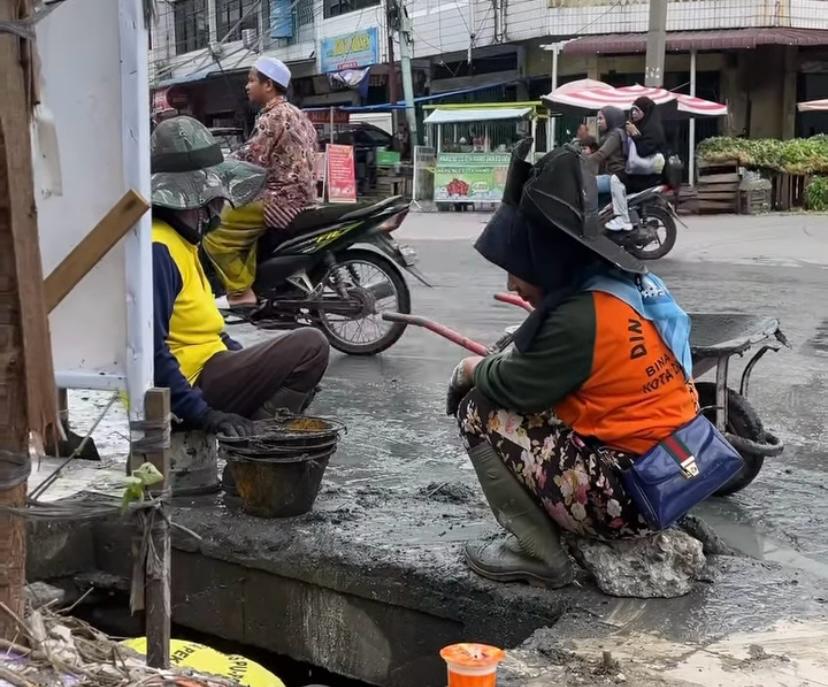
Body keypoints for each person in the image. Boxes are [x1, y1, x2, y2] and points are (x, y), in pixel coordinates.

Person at [446, 144, 698, 588]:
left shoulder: (579, 318)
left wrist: (470, 368)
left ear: (544, 261)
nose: (512, 284)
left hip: (633, 498)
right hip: (675, 469)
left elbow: (513, 387)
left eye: (517, 269)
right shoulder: (618, 289)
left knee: (476, 410)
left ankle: (537, 553)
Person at [151, 116, 330, 439]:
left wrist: (249, 364)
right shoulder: (159, 249)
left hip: (207, 367)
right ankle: (258, 445)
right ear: (199, 202)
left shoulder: (184, 242)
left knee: (291, 351)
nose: (220, 209)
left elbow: (209, 331)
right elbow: (151, 353)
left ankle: (253, 440)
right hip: (189, 384)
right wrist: (204, 414)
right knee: (310, 345)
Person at [203, 56, 318, 309]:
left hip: (279, 199)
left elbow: (250, 158)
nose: (247, 86)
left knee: (215, 233)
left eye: (251, 80)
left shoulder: (273, 117)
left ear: (268, 85)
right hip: (302, 198)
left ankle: (240, 292)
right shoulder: (297, 114)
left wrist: (215, 169)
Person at [587, 106, 632, 231]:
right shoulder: (611, 134)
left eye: (601, 118)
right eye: (597, 119)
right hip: (613, 175)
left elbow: (601, 154)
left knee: (586, 185)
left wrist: (582, 162)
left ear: (611, 118)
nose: (598, 122)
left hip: (616, 175)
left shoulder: (615, 134)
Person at [625, 96, 667, 193]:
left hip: (650, 180)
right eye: (632, 110)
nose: (633, 113)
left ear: (646, 112)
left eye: (637, 111)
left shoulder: (654, 130)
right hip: (636, 177)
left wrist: (634, 135)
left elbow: (643, 150)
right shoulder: (637, 126)